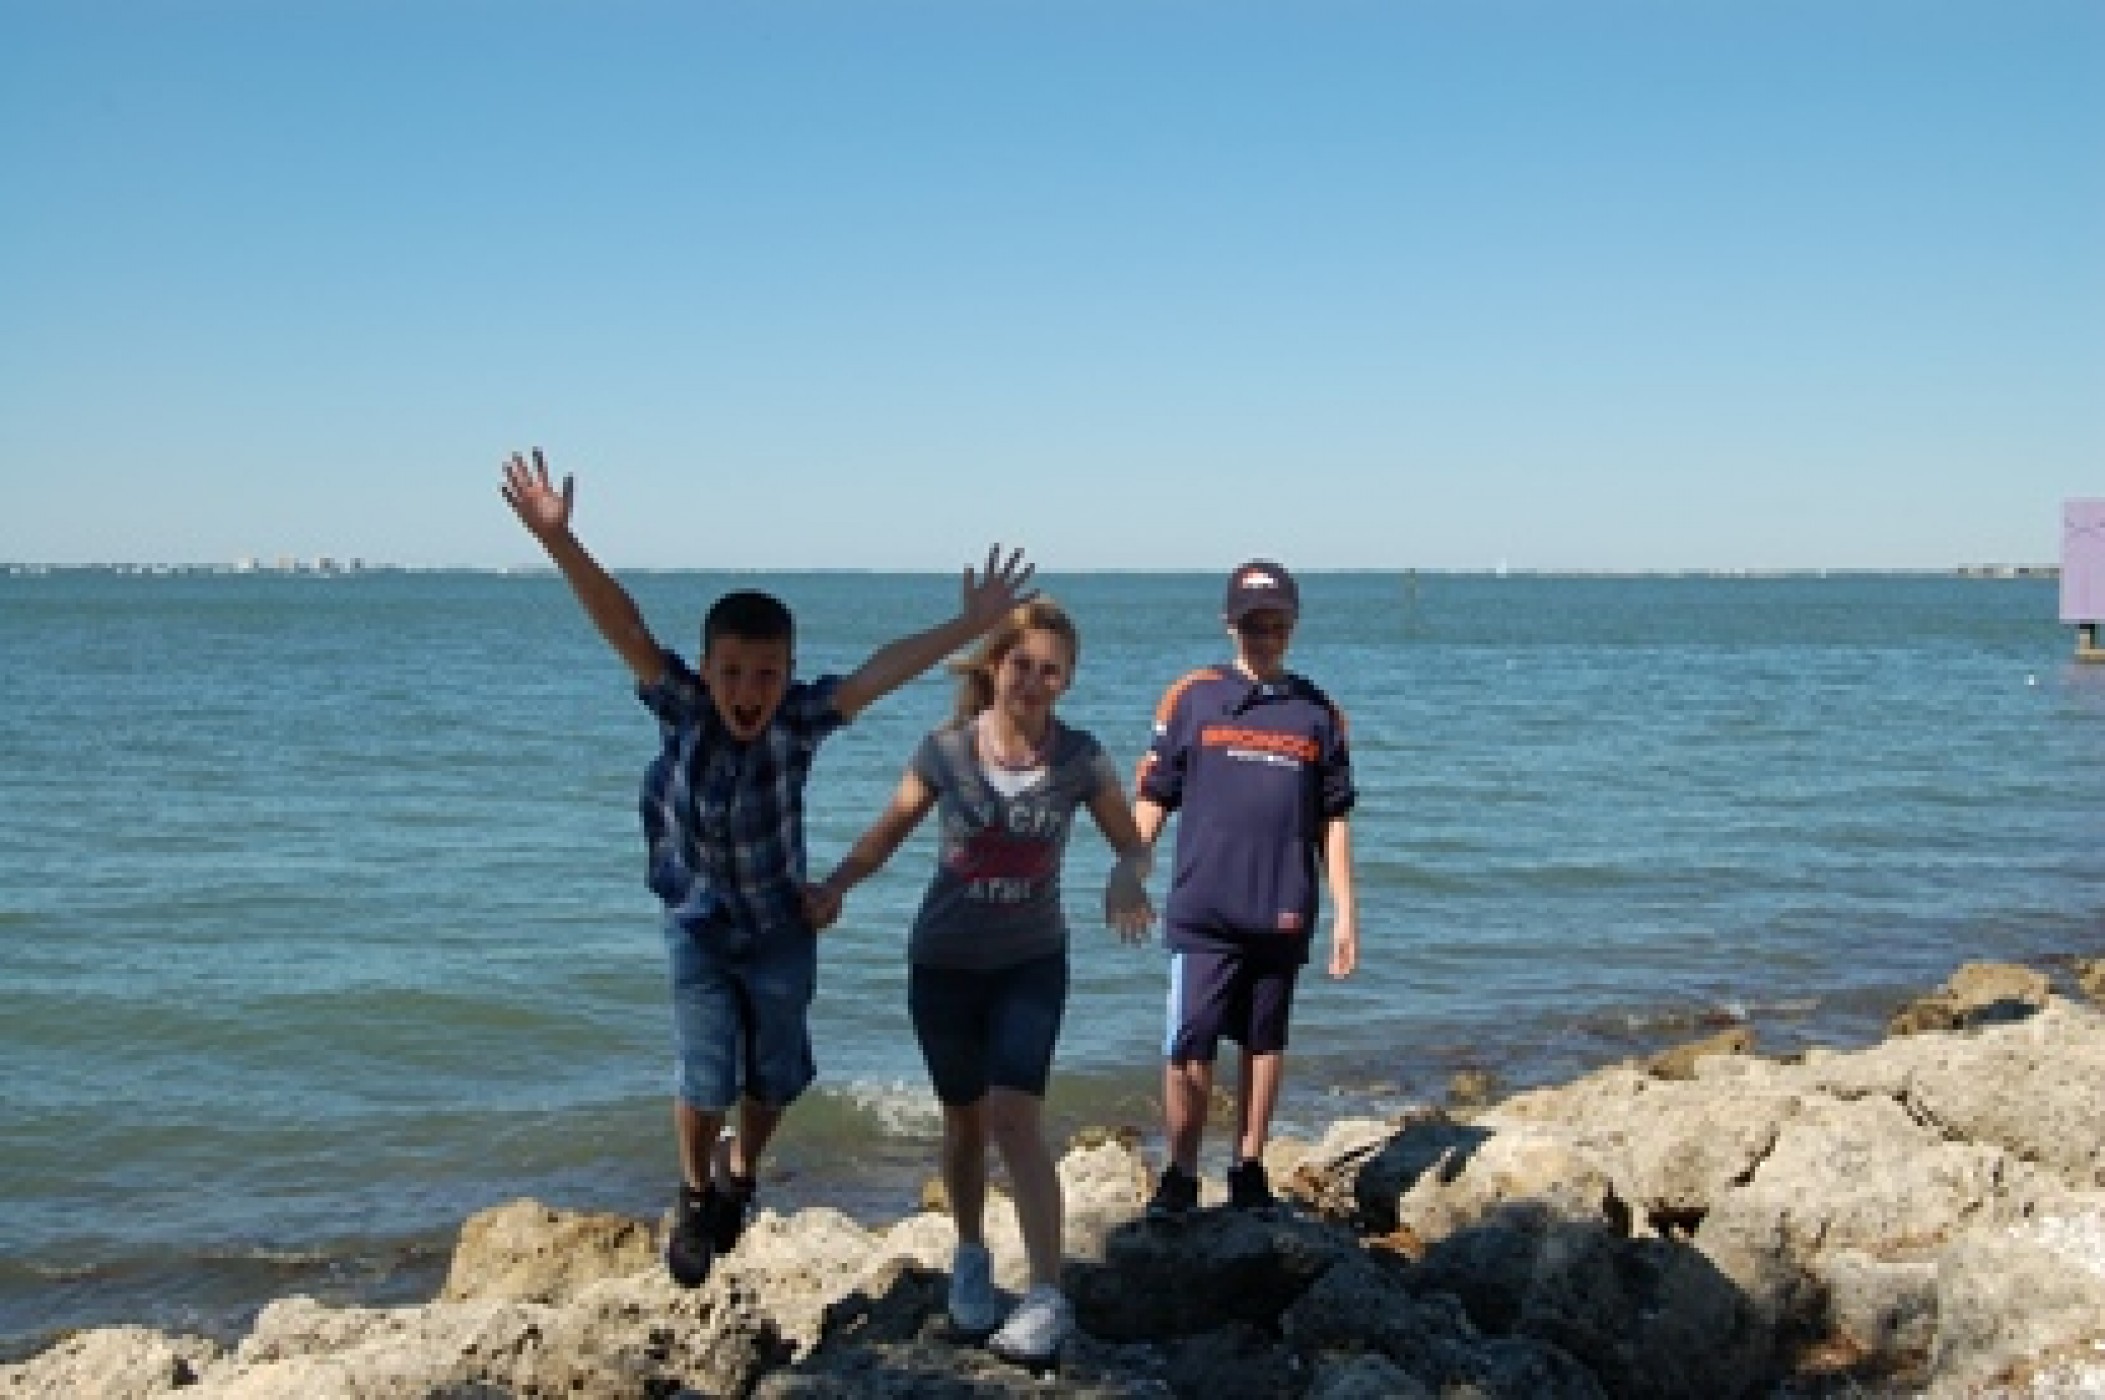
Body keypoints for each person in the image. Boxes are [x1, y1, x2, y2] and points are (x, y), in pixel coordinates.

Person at [499, 447, 1038, 1289]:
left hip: (782, 922)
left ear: (787, 673)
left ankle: (741, 1175)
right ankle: (693, 1192)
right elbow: (623, 625)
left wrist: (966, 626)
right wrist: (558, 541)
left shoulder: (797, 720)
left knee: (775, 1076)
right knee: (704, 1074)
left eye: (765, 673)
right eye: (731, 673)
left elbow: (879, 672)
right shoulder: (682, 706)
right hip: (698, 924)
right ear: (705, 669)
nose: (747, 690)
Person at [805, 599, 1154, 1366]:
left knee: (1015, 1119)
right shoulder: (946, 751)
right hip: (942, 965)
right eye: (1021, 664)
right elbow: (884, 835)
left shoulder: (1080, 758)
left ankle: (1047, 1295)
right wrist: (832, 887)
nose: (1032, 681)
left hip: (1031, 963)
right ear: (995, 666)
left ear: (1067, 682)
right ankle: (969, 1255)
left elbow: (1133, 845)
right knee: (963, 1123)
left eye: (1050, 671)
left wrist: (1126, 877)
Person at [1131, 560, 1358, 1219]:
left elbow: (1333, 819)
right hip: (1203, 908)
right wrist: (1128, 869)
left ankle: (1248, 1166)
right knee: (1188, 1044)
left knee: (1264, 1042)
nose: (1266, 636)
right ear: (1229, 624)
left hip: (1282, 907)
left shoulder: (1318, 713)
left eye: (1277, 624)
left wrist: (1345, 911)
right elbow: (1155, 794)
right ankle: (1180, 1173)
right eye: (1254, 624)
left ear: (1293, 626)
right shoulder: (1192, 698)